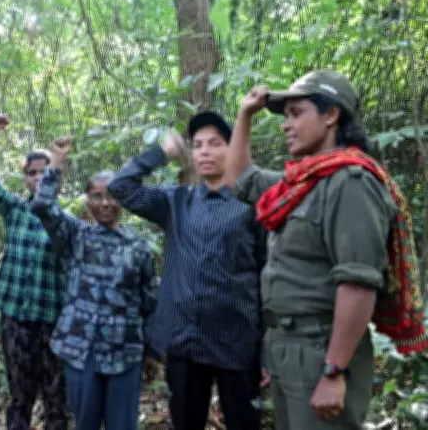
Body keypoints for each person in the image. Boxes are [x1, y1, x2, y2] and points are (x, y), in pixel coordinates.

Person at [224, 70, 427, 429]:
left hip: (321, 350)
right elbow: (241, 180)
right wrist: (244, 114)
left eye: (296, 113)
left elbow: (358, 283)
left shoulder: (351, 184)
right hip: (287, 346)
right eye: (286, 116)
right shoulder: (303, 183)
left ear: (331, 114)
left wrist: (333, 371)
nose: (286, 125)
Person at [107, 111, 268, 430]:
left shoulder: (253, 205)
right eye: (198, 145)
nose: (205, 151)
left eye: (215, 143)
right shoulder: (176, 202)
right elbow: (120, 187)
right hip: (184, 341)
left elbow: (267, 275)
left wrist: (266, 351)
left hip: (236, 342)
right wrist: (161, 153)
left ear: (233, 148)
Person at [31, 137, 159, 430]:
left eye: (112, 195)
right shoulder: (75, 236)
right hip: (81, 350)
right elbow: (42, 205)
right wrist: (57, 161)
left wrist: (152, 353)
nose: (105, 203)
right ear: (88, 200)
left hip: (125, 351)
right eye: (97, 196)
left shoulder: (138, 247)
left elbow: (149, 303)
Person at [0, 114, 68, 430]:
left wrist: (59, 159)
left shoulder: (68, 220)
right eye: (32, 173)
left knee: (56, 399)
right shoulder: (16, 210)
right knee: (20, 397)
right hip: (16, 317)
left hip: (53, 320)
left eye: (45, 172)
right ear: (25, 178)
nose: (38, 178)